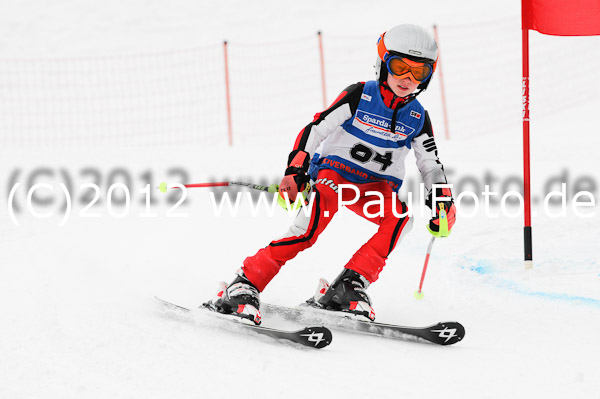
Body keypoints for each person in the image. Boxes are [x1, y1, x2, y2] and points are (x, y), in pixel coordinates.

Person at [208, 24, 457, 324]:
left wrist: (443, 201)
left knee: (401, 218)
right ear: (382, 63)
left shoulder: (418, 117)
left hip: (374, 188)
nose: (407, 79)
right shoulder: (360, 95)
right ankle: (245, 283)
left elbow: (430, 165)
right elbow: (316, 129)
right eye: (400, 67)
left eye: (419, 73)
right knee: (310, 227)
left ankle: (348, 286)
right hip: (333, 175)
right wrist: (296, 170)